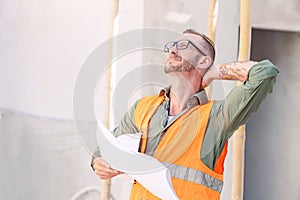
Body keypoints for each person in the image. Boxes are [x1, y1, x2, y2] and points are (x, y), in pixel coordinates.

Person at [91, 29, 279, 200]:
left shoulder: (216, 118)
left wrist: (214, 72)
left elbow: (265, 73)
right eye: (172, 45)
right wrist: (98, 161)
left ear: (203, 61)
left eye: (183, 46)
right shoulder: (143, 108)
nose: (172, 50)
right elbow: (107, 148)